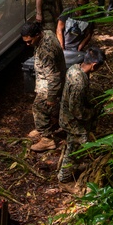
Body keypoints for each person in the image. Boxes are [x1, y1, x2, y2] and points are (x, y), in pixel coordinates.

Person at [57, 47, 106, 184]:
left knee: (73, 147)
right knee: (74, 151)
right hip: (72, 122)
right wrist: (94, 113)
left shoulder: (74, 68)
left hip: (67, 117)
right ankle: (64, 177)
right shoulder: (79, 82)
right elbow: (77, 111)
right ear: (94, 65)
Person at [21, 21, 66, 152]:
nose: (28, 44)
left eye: (30, 41)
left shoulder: (46, 51)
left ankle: (47, 139)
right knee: (48, 108)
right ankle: (45, 126)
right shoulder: (47, 34)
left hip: (50, 83)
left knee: (39, 107)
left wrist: (51, 97)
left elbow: (53, 76)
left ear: (38, 35)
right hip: (45, 80)